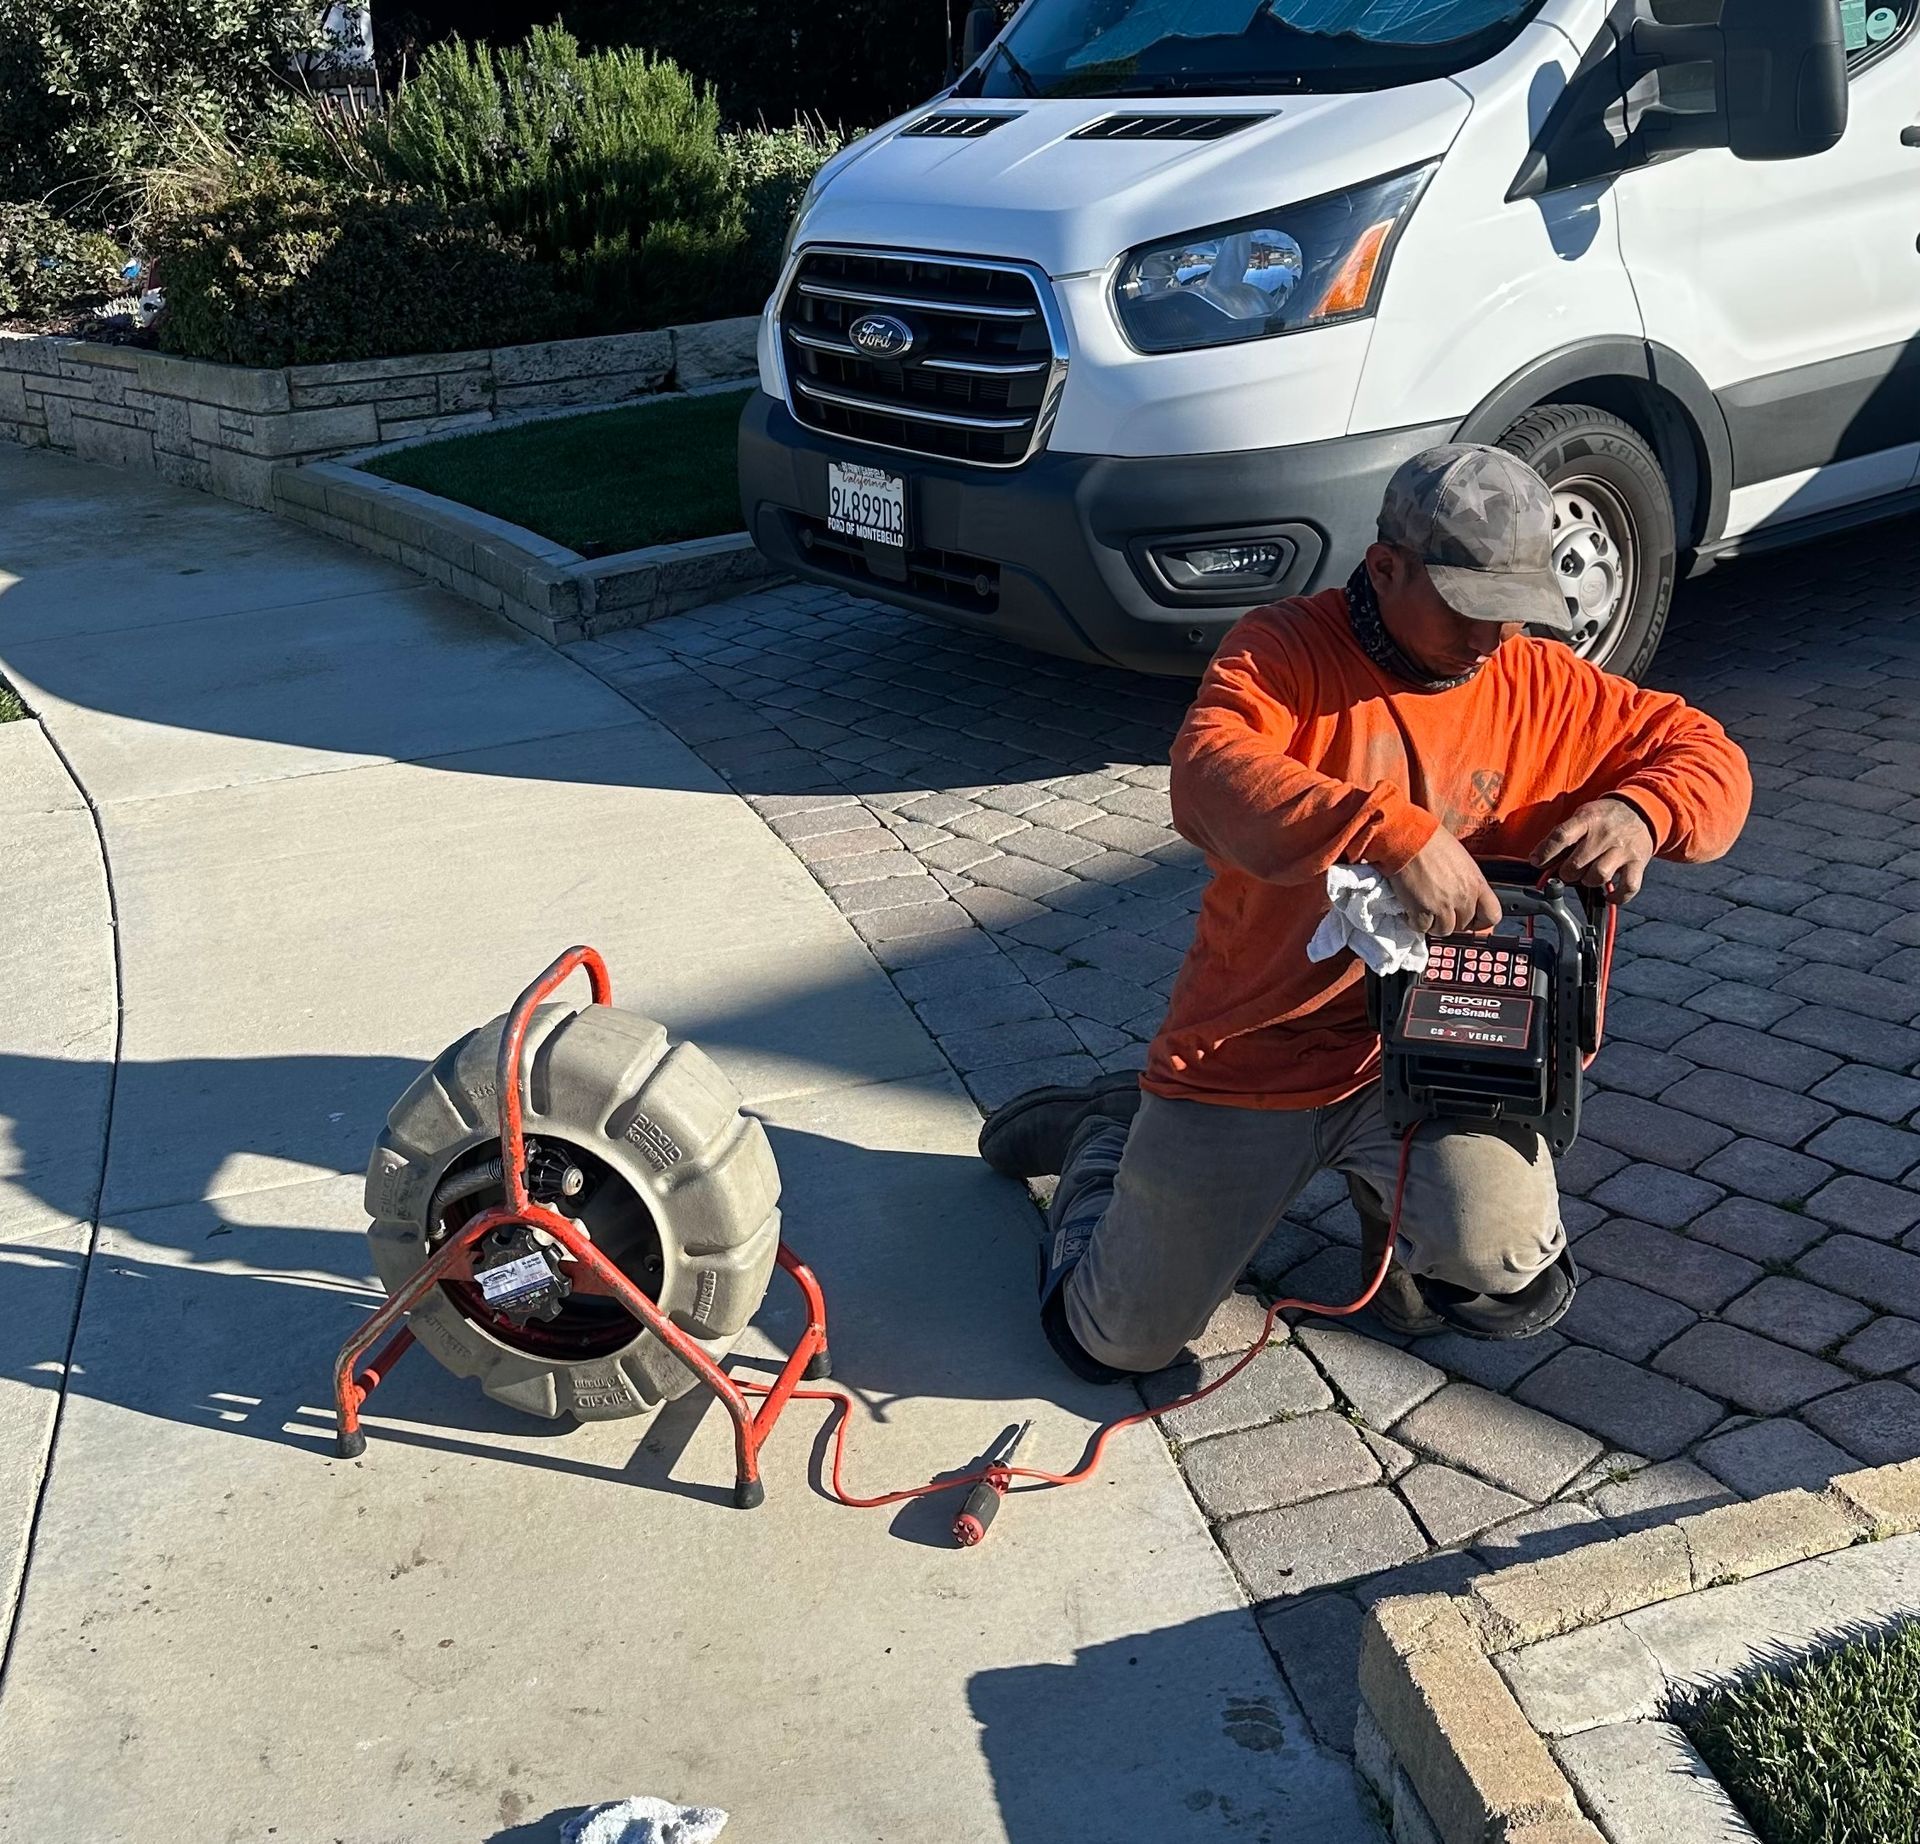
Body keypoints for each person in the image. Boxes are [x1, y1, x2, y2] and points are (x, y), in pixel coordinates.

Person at [978, 444, 1751, 1379]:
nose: (1494, 635)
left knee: (1505, 1280)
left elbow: (1709, 755)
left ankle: (1396, 1222)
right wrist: (1388, 833)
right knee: (1113, 1345)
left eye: (1515, 607)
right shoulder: (1281, 650)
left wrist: (1644, 809)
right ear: (1385, 569)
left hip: (1448, 1057)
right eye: (1468, 605)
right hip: (1254, 1050)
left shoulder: (1543, 681)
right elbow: (1208, 773)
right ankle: (1107, 1137)